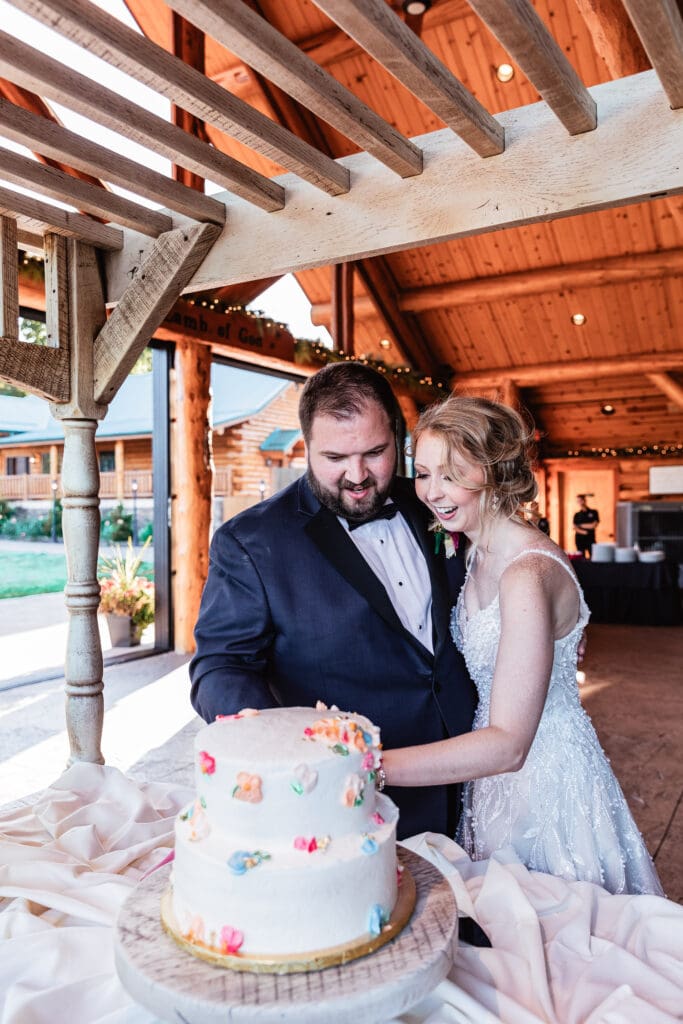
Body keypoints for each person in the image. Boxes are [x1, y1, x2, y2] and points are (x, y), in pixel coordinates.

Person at [382, 395, 663, 895]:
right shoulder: (474, 553)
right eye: (423, 474)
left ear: (492, 472)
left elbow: (511, 743)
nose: (431, 492)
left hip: (543, 782)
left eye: (451, 474)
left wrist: (374, 767)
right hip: (491, 781)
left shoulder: (527, 575)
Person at [189, 361, 477, 841]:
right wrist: (290, 747)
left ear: (399, 440)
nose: (357, 475)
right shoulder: (250, 542)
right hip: (353, 797)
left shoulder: (433, 499)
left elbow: (504, 554)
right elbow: (219, 668)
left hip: (478, 769)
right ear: (305, 448)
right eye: (335, 458)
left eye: (375, 453)